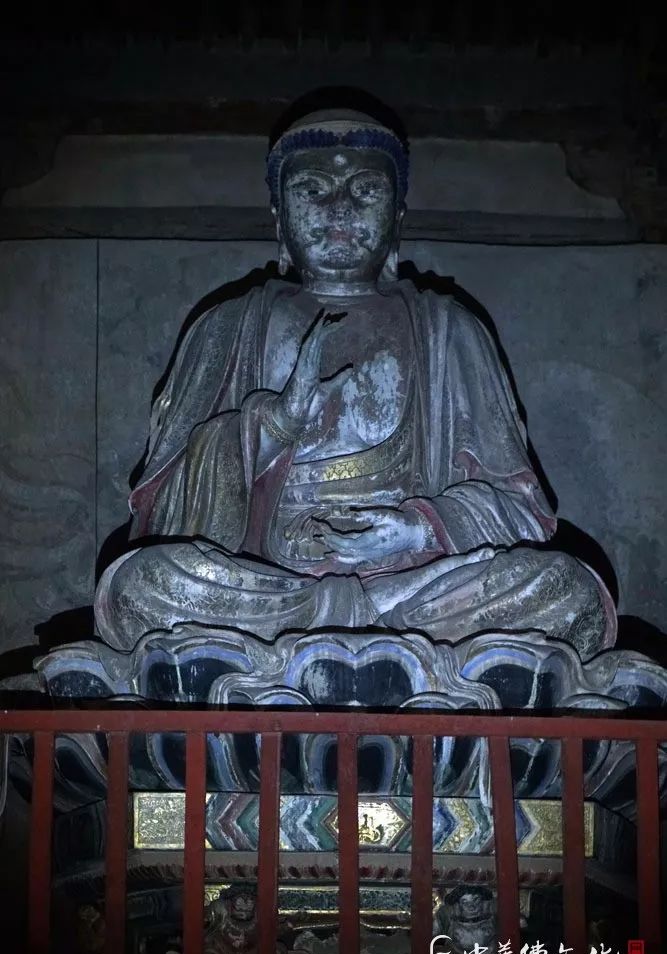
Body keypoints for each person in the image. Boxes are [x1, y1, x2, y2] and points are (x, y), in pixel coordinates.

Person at [95, 108, 615, 660]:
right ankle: (368, 633)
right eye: (312, 189)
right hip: (272, 584)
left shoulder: (448, 330)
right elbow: (165, 515)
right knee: (144, 584)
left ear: (397, 218)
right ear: (279, 218)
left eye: (365, 190)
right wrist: (272, 425)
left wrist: (417, 530)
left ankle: (342, 633)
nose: (338, 209)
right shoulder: (227, 327)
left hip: (420, 587)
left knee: (565, 590)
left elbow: (522, 513)